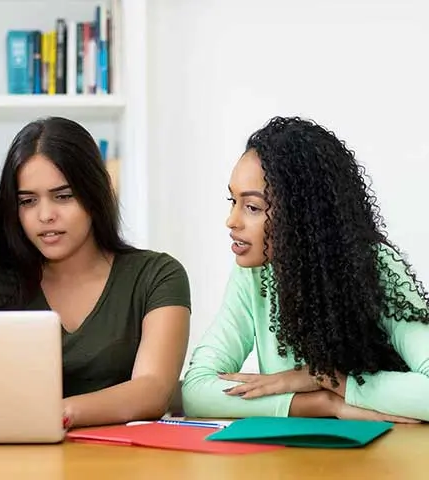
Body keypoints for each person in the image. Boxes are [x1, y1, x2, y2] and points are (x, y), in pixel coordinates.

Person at [182, 116, 429, 422]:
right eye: (233, 201)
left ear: (300, 216)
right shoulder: (253, 275)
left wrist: (328, 378)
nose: (231, 221)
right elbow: (196, 391)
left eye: (253, 207)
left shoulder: (375, 266)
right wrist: (324, 404)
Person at [0, 116, 191, 429]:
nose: (45, 215)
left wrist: (61, 413)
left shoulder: (157, 275)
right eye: (28, 201)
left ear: (94, 194)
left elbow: (153, 390)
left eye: (63, 196)